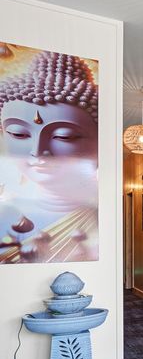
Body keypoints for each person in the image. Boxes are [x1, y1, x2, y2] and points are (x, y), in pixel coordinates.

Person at [0, 50, 99, 262]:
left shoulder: (102, 215)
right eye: (18, 134)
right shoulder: (6, 212)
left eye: (64, 136)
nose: (37, 151)